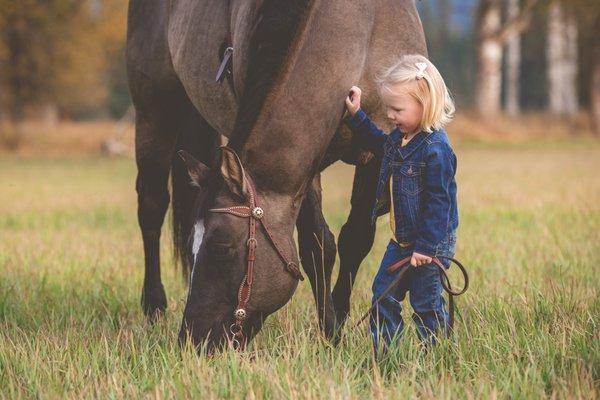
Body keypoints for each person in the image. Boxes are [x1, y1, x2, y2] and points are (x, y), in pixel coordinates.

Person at [344, 54, 458, 354]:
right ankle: (386, 355)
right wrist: (357, 116)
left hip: (429, 246)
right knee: (383, 295)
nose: (391, 115)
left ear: (426, 105)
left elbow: (439, 204)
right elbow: (381, 145)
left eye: (397, 109)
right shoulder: (401, 137)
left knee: (425, 304)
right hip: (401, 242)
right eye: (388, 109)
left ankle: (436, 356)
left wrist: (425, 247)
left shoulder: (437, 150)